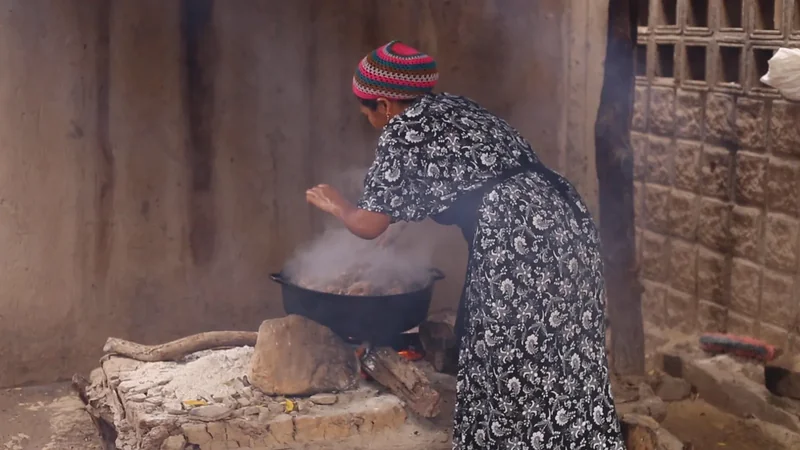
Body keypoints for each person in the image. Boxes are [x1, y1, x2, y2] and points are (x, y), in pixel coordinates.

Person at [306, 41, 624, 450]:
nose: (370, 120)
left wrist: (337, 204)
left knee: (504, 351)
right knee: (566, 348)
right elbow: (463, 181)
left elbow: (367, 225)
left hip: (517, 239)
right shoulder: (458, 108)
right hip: (566, 221)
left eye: (367, 111)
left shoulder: (401, 132)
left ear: (384, 104)